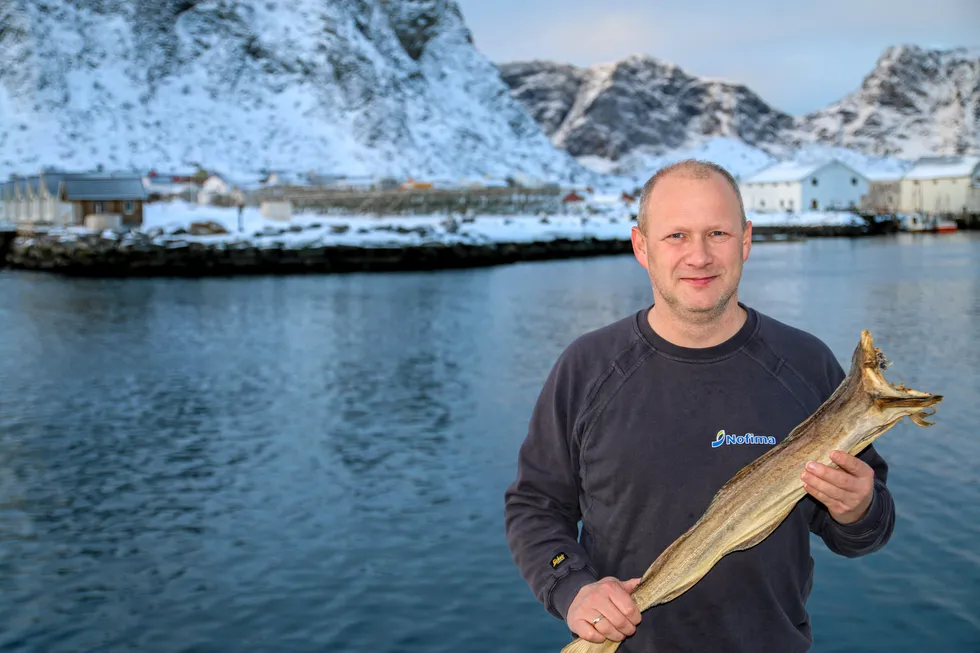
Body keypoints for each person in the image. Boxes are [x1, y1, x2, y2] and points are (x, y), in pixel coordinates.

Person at [503, 160, 895, 652]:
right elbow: (535, 505)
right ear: (640, 246)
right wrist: (572, 587)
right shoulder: (587, 367)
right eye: (676, 236)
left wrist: (858, 508)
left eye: (717, 233)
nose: (700, 256)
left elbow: (865, 526)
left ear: (746, 240)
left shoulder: (805, 364)